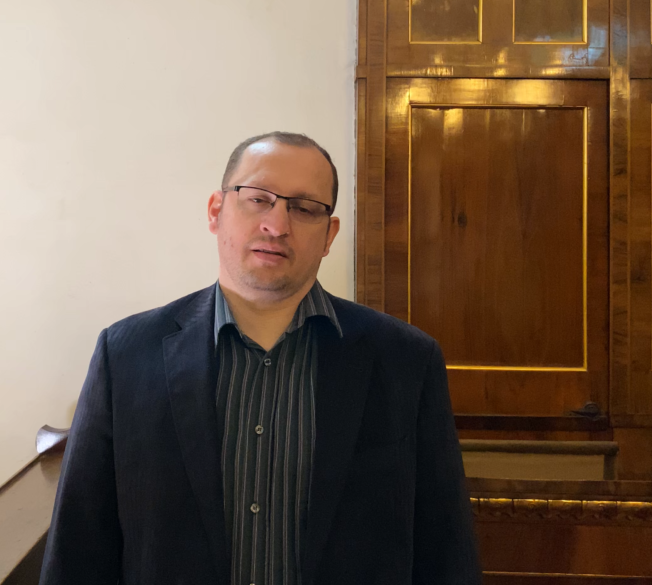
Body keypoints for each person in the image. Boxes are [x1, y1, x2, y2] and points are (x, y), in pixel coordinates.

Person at [39, 132, 481, 585]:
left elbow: (445, 548)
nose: (277, 224)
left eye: (304, 208)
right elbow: (79, 546)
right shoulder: (125, 355)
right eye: (258, 199)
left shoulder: (406, 361)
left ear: (329, 235)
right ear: (216, 211)